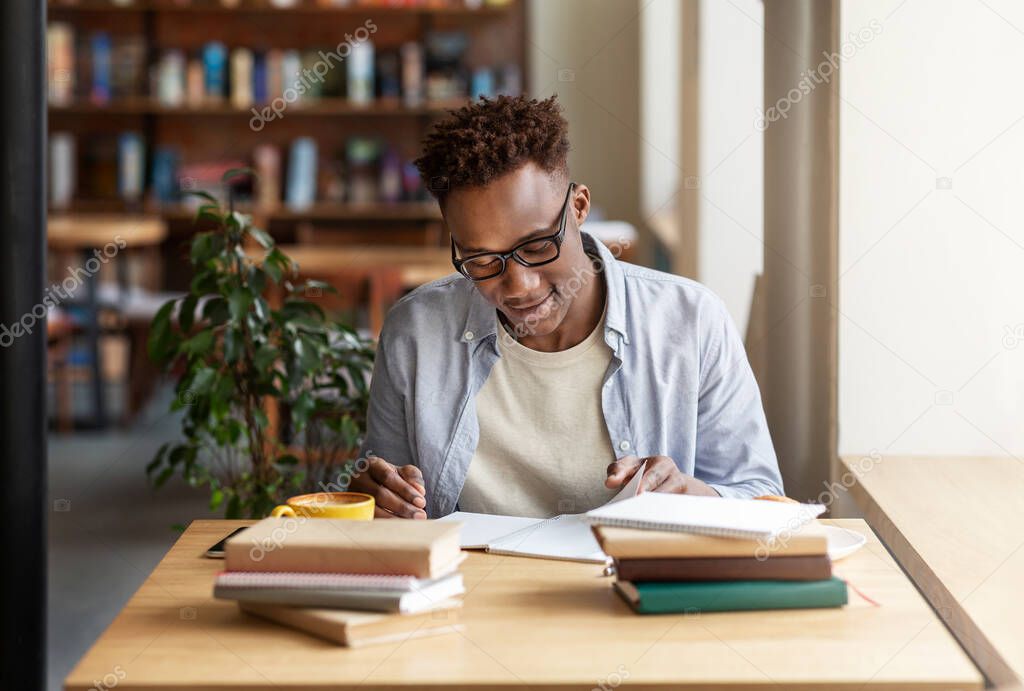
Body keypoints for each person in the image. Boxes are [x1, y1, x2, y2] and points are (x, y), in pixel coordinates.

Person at [349, 94, 783, 519]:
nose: (519, 285)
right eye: (482, 260)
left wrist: (694, 497)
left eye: (537, 246)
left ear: (578, 208)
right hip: (471, 589)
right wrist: (377, 502)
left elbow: (763, 499)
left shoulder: (691, 321)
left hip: (632, 587)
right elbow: (387, 502)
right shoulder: (416, 331)